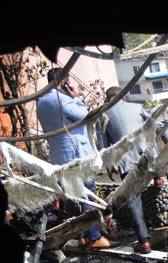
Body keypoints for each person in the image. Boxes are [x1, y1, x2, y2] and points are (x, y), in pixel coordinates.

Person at [36, 67, 113, 249]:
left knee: (71, 198)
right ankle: (94, 237)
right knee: (88, 196)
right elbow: (83, 115)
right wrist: (77, 99)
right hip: (76, 153)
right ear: (64, 82)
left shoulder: (42, 102)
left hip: (59, 155)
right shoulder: (62, 99)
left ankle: (80, 236)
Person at [96, 86, 168, 254]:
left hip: (128, 163)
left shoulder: (103, 116)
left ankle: (144, 241)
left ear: (108, 99)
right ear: (124, 97)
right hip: (148, 157)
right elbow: (157, 124)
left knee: (134, 201)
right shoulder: (136, 107)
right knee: (148, 149)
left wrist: (110, 168)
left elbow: (104, 147)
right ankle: (157, 178)